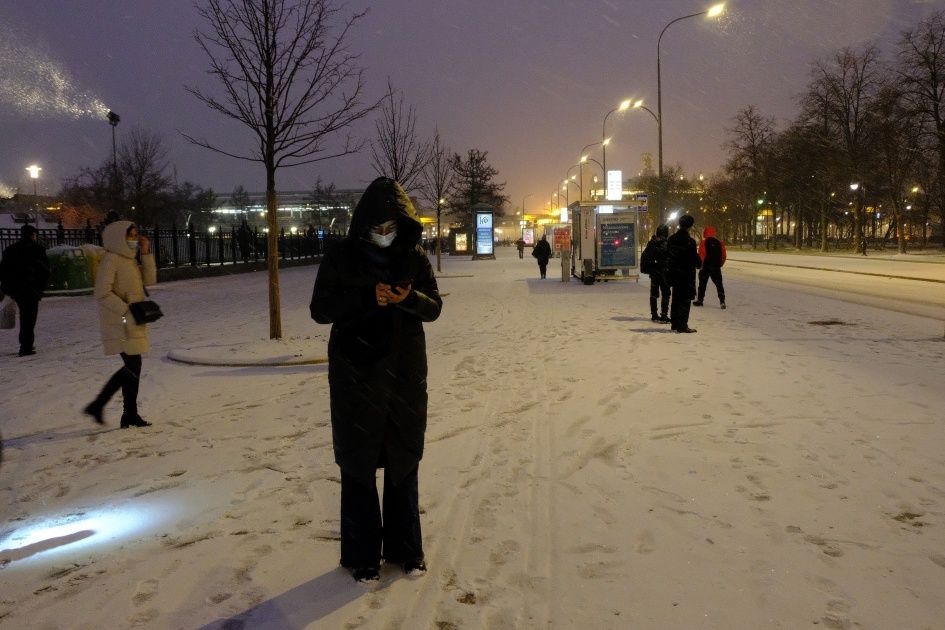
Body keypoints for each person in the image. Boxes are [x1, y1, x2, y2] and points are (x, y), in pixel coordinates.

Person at [310, 177, 442, 583]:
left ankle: (407, 549)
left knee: (403, 459)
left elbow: (433, 307)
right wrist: (369, 298)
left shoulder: (414, 257)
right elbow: (321, 308)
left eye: (392, 228)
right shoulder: (340, 256)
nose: (385, 236)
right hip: (355, 374)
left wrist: (408, 299)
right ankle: (361, 554)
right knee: (357, 463)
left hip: (403, 373)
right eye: (377, 228)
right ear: (362, 226)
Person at [83, 222, 156, 428]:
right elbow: (102, 293)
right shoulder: (111, 260)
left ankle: (126, 413)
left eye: (135, 235)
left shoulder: (130, 260)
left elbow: (150, 281)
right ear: (118, 238)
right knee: (132, 367)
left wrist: (147, 253)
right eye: (130, 236)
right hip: (120, 322)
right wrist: (126, 310)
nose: (134, 239)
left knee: (133, 367)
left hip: (133, 322)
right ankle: (103, 406)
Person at [0, 224, 51, 356]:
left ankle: (25, 343)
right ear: (33, 235)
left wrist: (6, 288)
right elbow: (44, 271)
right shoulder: (37, 249)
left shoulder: (11, 250)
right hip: (31, 288)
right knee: (29, 316)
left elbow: (3, 271)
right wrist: (40, 289)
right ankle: (26, 345)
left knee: (24, 313)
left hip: (16, 288)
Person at [666, 214, 702, 333]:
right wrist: (699, 263)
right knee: (685, 301)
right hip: (686, 275)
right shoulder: (690, 242)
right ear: (689, 227)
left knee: (676, 299)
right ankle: (682, 324)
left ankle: (675, 323)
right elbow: (693, 258)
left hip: (675, 274)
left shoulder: (671, 240)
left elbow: (669, 257)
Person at [641, 224, 671, 323]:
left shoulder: (652, 242)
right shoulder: (666, 243)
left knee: (654, 293)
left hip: (654, 271)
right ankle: (664, 314)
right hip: (664, 271)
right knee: (665, 292)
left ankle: (654, 314)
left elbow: (647, 256)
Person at [694, 225, 727, 309]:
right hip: (715, 267)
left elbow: (702, 254)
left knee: (702, 285)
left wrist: (701, 265)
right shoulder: (720, 242)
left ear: (705, 233)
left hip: (705, 266)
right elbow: (723, 255)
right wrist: (720, 264)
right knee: (719, 284)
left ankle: (700, 300)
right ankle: (722, 301)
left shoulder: (704, 242)